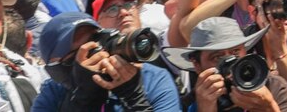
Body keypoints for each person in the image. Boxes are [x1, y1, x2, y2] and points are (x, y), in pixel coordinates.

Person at [33, 12, 181, 111]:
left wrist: (134, 96)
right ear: (57, 68)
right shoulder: (53, 93)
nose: (98, 55)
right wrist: (84, 99)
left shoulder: (153, 78)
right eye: (78, 55)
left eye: (96, 42)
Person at [164, 17, 287, 112]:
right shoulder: (187, 104)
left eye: (235, 51)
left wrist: (268, 107)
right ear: (197, 65)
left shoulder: (274, 86)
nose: (230, 61)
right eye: (217, 57)